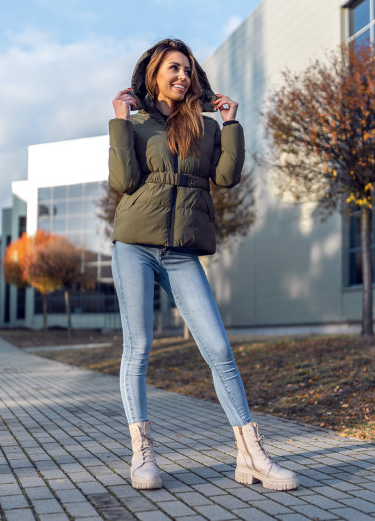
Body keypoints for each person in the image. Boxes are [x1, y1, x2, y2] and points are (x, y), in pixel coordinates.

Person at [109, 38, 299, 492]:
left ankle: (251, 455)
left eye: (188, 70)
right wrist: (119, 122)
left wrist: (231, 123)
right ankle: (142, 454)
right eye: (174, 68)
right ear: (154, 74)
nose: (182, 76)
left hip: (182, 252)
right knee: (139, 348)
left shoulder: (206, 126)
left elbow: (227, 177)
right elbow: (124, 180)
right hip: (134, 245)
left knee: (218, 349)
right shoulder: (135, 123)